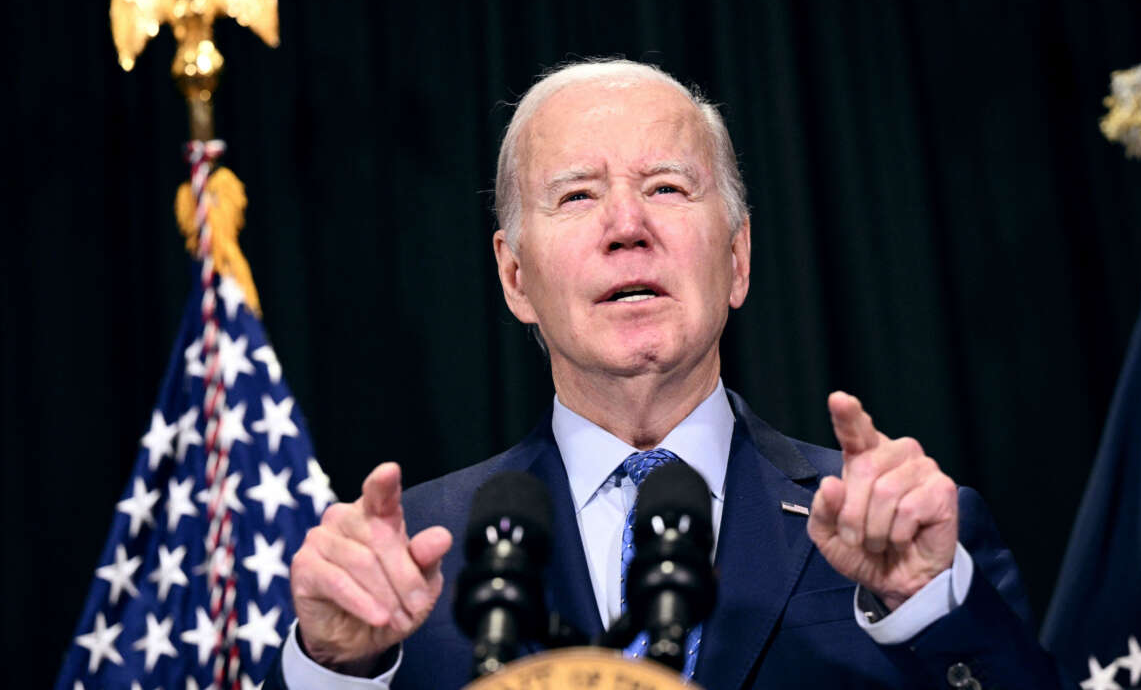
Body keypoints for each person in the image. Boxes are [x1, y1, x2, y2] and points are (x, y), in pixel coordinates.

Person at [266, 60, 1062, 688]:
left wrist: (927, 605)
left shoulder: (893, 529)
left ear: (738, 258)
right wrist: (335, 672)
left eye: (667, 188)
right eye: (577, 195)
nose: (627, 226)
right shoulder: (405, 565)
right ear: (514, 278)